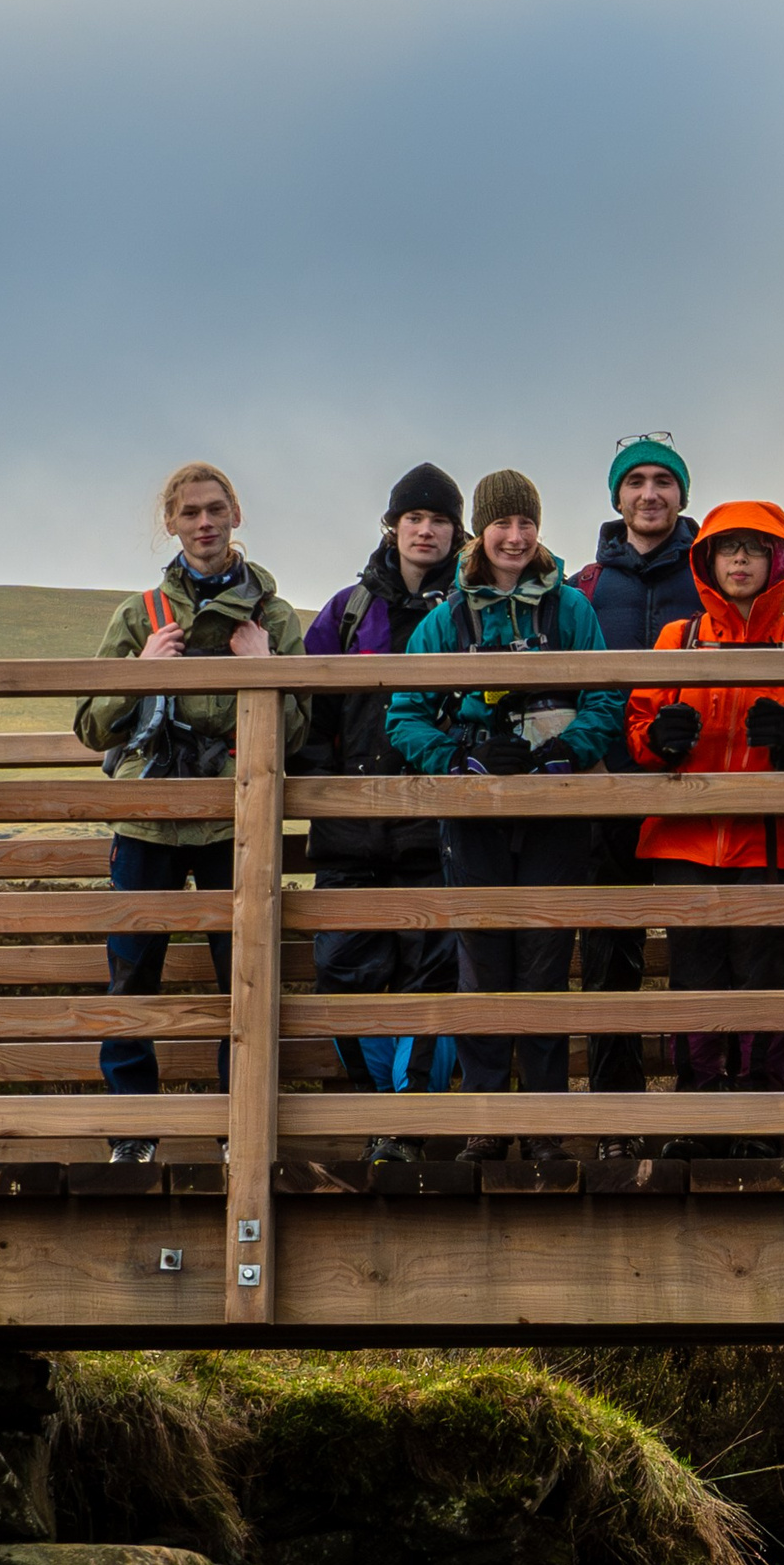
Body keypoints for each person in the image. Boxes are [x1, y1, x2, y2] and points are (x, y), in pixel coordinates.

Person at [385, 471, 625, 1166]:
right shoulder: (447, 619)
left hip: (554, 810)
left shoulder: (572, 610)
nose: (515, 538)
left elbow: (605, 698)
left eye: (526, 524)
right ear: (480, 533)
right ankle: (487, 1120)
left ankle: (544, 1125)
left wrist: (561, 755)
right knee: (482, 963)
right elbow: (404, 713)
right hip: (473, 816)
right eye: (502, 525)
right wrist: (460, 762)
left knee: (547, 962)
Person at [74, 462, 307, 1165]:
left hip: (236, 820)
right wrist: (141, 670)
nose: (204, 523)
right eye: (189, 513)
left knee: (244, 976)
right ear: (171, 524)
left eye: (214, 509)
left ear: (235, 512)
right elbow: (90, 726)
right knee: (131, 978)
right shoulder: (137, 615)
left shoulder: (274, 617)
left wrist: (265, 667)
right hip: (146, 821)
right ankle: (133, 1134)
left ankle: (240, 1130)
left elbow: (298, 732)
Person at [625, 502, 784, 1157]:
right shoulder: (676, 639)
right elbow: (638, 728)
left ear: (780, 562)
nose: (740, 560)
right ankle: (697, 1111)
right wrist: (659, 740)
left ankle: (760, 1117)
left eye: (755, 549)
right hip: (683, 838)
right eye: (727, 549)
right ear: (707, 560)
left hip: (769, 840)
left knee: (761, 978)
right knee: (692, 976)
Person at [299, 463, 467, 1165]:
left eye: (439, 520)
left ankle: (406, 1127)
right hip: (351, 836)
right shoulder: (345, 612)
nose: (425, 530)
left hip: (438, 832)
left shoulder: (474, 610)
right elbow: (309, 720)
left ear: (458, 533)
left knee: (434, 979)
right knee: (344, 978)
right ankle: (376, 1118)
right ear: (393, 527)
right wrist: (319, 788)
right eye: (414, 518)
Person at [566, 434, 706, 1149]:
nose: (650, 493)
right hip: (607, 788)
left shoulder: (710, 576)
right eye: (636, 482)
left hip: (693, 792)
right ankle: (616, 1119)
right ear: (616, 496)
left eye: (664, 482)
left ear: (684, 496)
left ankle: (691, 1117)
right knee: (607, 954)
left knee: (695, 954)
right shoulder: (585, 587)